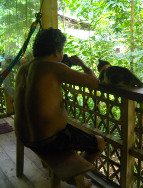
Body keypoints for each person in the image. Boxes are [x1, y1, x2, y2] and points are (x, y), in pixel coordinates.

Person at [14, 28, 105, 185]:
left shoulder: (23, 69)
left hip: (23, 135)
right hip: (48, 141)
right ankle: (75, 177)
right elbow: (94, 82)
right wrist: (81, 63)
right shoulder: (54, 67)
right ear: (57, 52)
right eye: (62, 50)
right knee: (99, 142)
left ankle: (72, 172)